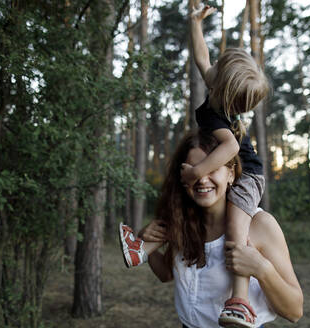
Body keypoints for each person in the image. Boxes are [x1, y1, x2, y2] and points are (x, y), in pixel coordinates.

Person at [121, 3, 271, 327]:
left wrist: (199, 171)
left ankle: (240, 301)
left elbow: (231, 146)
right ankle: (142, 248)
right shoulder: (216, 85)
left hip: (247, 177)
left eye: (218, 68)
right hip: (226, 170)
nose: (211, 68)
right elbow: (201, 57)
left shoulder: (220, 118)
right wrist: (194, 23)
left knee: (236, 233)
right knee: (180, 202)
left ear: (225, 91)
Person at [120, 131, 303, 328]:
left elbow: (294, 312)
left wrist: (262, 269)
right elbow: (166, 274)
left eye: (212, 168)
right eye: (194, 170)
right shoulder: (182, 221)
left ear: (231, 173)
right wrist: (145, 242)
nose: (202, 179)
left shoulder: (260, 224)